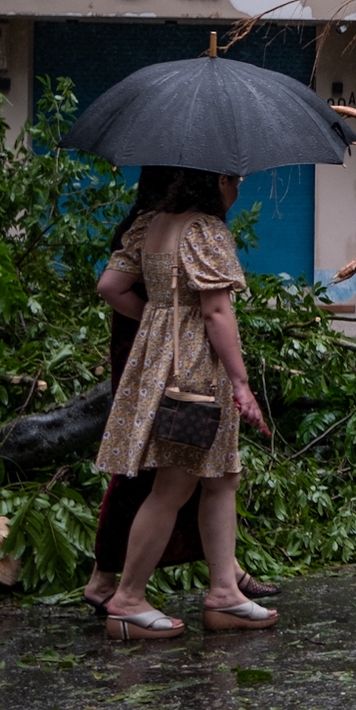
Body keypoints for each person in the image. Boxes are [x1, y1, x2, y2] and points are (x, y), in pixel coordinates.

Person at [81, 170, 277, 615]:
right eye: (234, 180)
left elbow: (110, 287)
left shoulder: (150, 224)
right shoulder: (206, 231)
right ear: (216, 182)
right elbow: (216, 310)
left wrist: (156, 320)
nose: (238, 190)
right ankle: (128, 598)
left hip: (159, 366)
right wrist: (242, 384)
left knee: (222, 477)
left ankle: (225, 591)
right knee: (174, 484)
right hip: (196, 370)